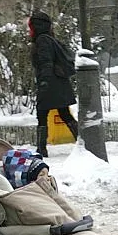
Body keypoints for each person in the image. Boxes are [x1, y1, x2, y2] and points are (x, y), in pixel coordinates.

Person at [28, 11, 78, 158]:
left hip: (50, 83)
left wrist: (44, 82)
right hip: (58, 83)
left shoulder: (42, 41)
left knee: (42, 113)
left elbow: (46, 62)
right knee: (64, 114)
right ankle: (82, 142)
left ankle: (41, 149)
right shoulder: (49, 38)